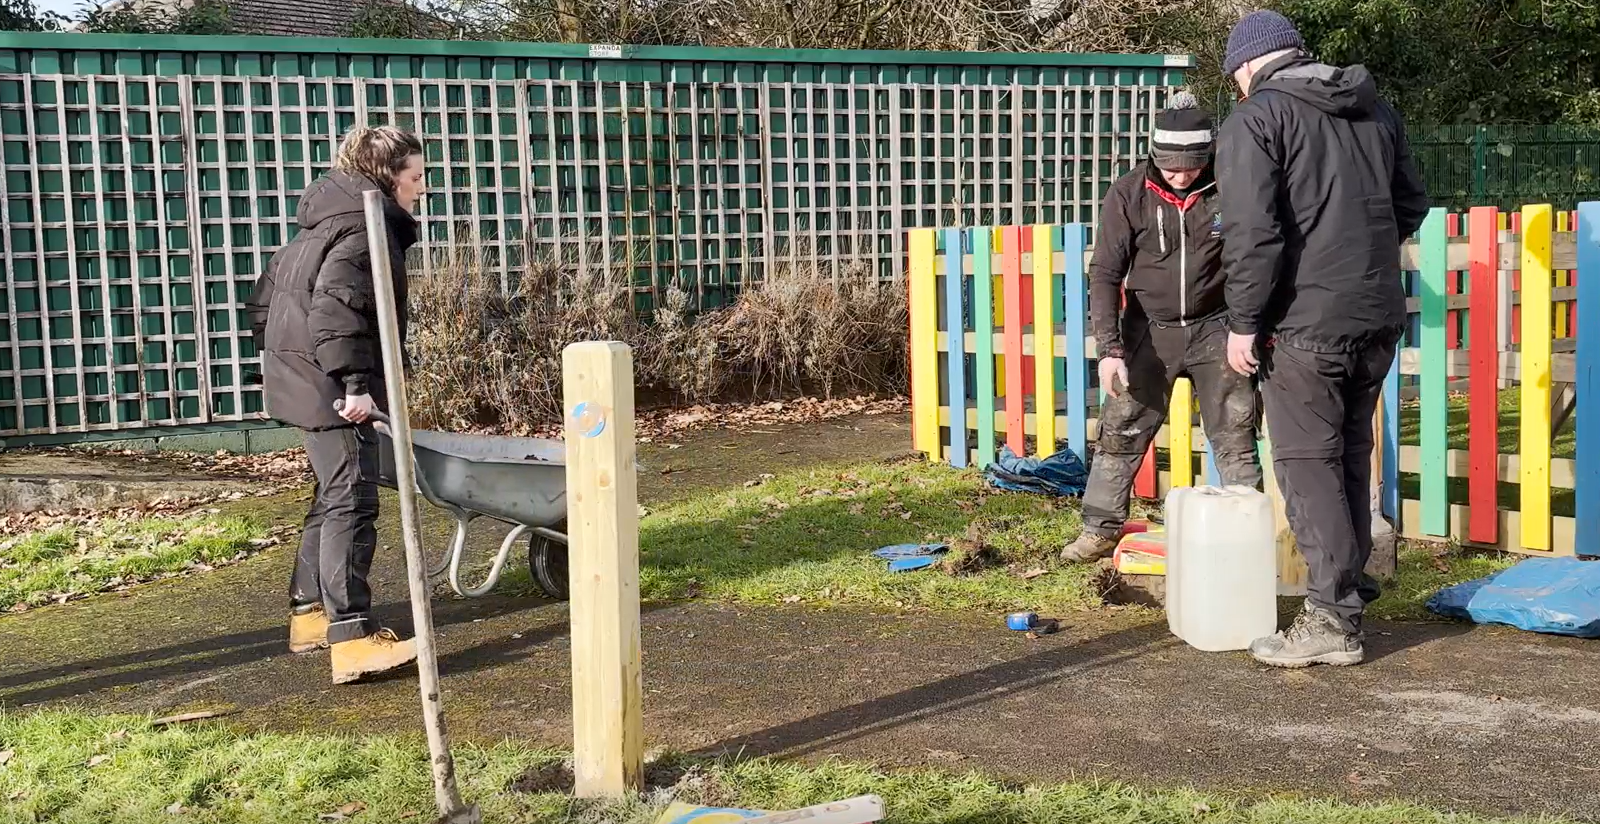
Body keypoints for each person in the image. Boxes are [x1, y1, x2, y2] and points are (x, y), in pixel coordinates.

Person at [1216, 10, 1428, 668]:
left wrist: (1244, 323)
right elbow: (1411, 203)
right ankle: (1349, 583)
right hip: (1375, 316)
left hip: (1305, 325)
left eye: (1235, 79)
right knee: (1348, 453)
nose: (1237, 90)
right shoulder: (1375, 111)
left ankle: (1332, 618)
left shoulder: (1257, 120)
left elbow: (1252, 236)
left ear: (1248, 66)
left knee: (1307, 464)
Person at [246, 125, 427, 685]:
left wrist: (293, 363)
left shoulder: (314, 229)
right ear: (385, 175)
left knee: (332, 494)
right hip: (334, 387)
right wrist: (352, 384)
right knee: (353, 499)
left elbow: (262, 304)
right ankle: (351, 637)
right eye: (415, 177)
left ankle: (309, 614)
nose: (421, 189)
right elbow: (335, 311)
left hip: (304, 377)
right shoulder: (358, 232)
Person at [1061, 93, 1263, 563]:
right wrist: (1109, 349)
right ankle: (1100, 528)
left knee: (1235, 430)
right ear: (1154, 156)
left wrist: (1249, 326)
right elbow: (1106, 273)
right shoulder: (1128, 193)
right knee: (1122, 428)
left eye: (1191, 166)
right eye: (1171, 167)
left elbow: (1254, 257)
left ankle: (1248, 534)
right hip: (1149, 332)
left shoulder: (1230, 191)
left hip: (1219, 329)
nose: (1181, 174)